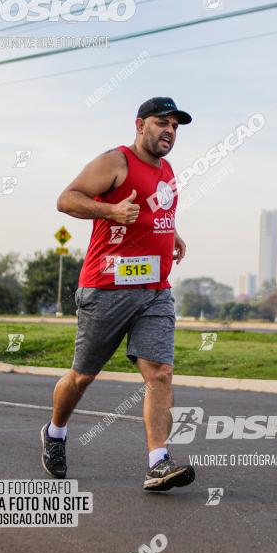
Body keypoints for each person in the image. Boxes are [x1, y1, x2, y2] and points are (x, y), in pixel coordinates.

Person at [40, 97, 196, 492]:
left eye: (175, 126)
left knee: (160, 373)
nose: (169, 132)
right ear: (140, 124)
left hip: (154, 290)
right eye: (162, 123)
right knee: (82, 376)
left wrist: (171, 233)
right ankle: (55, 433)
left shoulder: (168, 170)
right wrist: (109, 212)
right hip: (106, 289)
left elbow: (155, 211)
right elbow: (67, 199)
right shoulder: (116, 162)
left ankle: (158, 463)